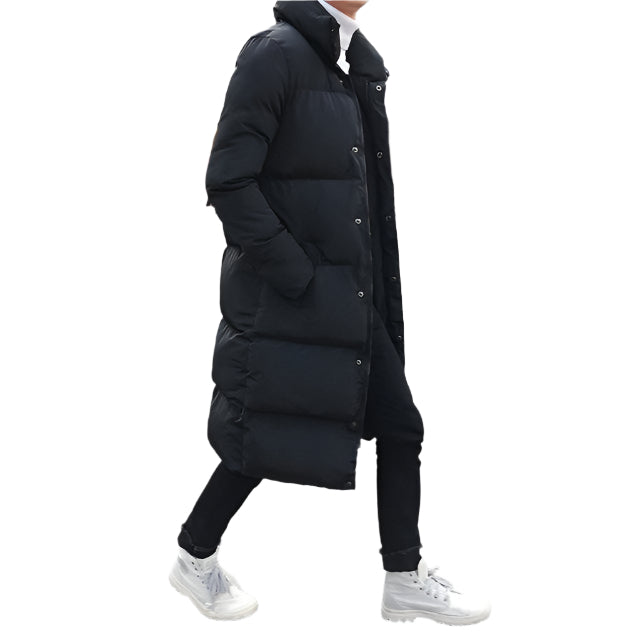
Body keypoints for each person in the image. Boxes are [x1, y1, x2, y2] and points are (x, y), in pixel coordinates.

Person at [168, 0, 491, 625]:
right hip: (295, 294)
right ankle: (194, 557)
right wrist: (298, 274)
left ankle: (402, 575)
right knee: (263, 433)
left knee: (395, 425)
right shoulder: (276, 53)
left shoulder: (347, 63)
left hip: (348, 293)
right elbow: (228, 180)